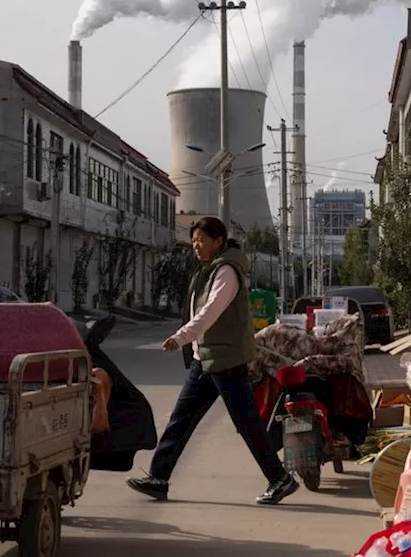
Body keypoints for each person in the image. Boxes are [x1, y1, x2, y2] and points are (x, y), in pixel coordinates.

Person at [126, 216, 298, 505]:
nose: (195, 245)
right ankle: (159, 478)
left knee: (247, 423)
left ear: (218, 242)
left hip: (225, 360)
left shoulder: (227, 272)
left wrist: (180, 337)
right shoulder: (210, 269)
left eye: (201, 240)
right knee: (180, 420)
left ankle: (279, 478)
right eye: (193, 240)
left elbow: (208, 313)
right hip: (204, 358)